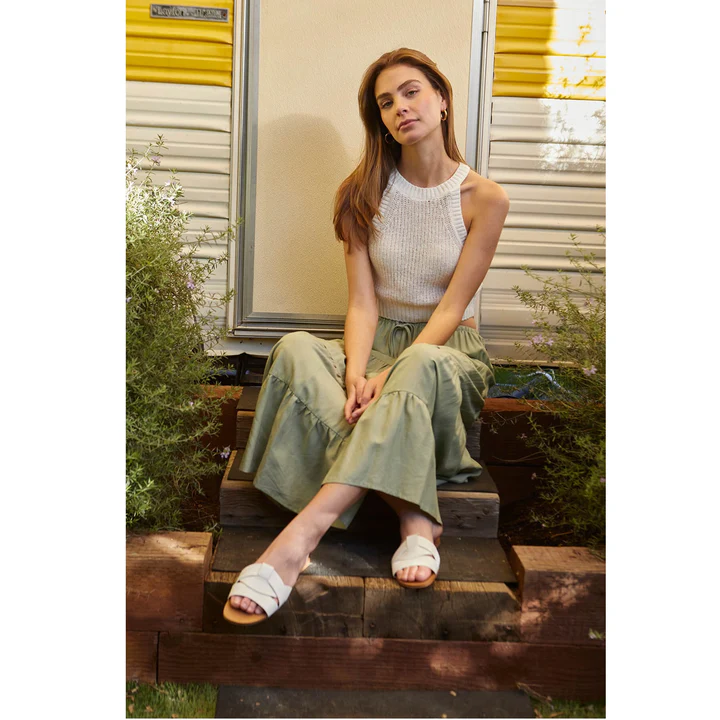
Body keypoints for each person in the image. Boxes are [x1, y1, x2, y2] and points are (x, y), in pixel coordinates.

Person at [224, 48, 509, 625]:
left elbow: (454, 305)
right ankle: (414, 516)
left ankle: (296, 541)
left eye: (411, 92)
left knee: (418, 365)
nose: (400, 107)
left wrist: (392, 370)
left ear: (442, 97)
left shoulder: (485, 198)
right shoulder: (361, 192)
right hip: (376, 343)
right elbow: (362, 301)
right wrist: (357, 370)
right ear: (378, 118)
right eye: (386, 102)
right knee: (298, 349)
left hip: (445, 352)